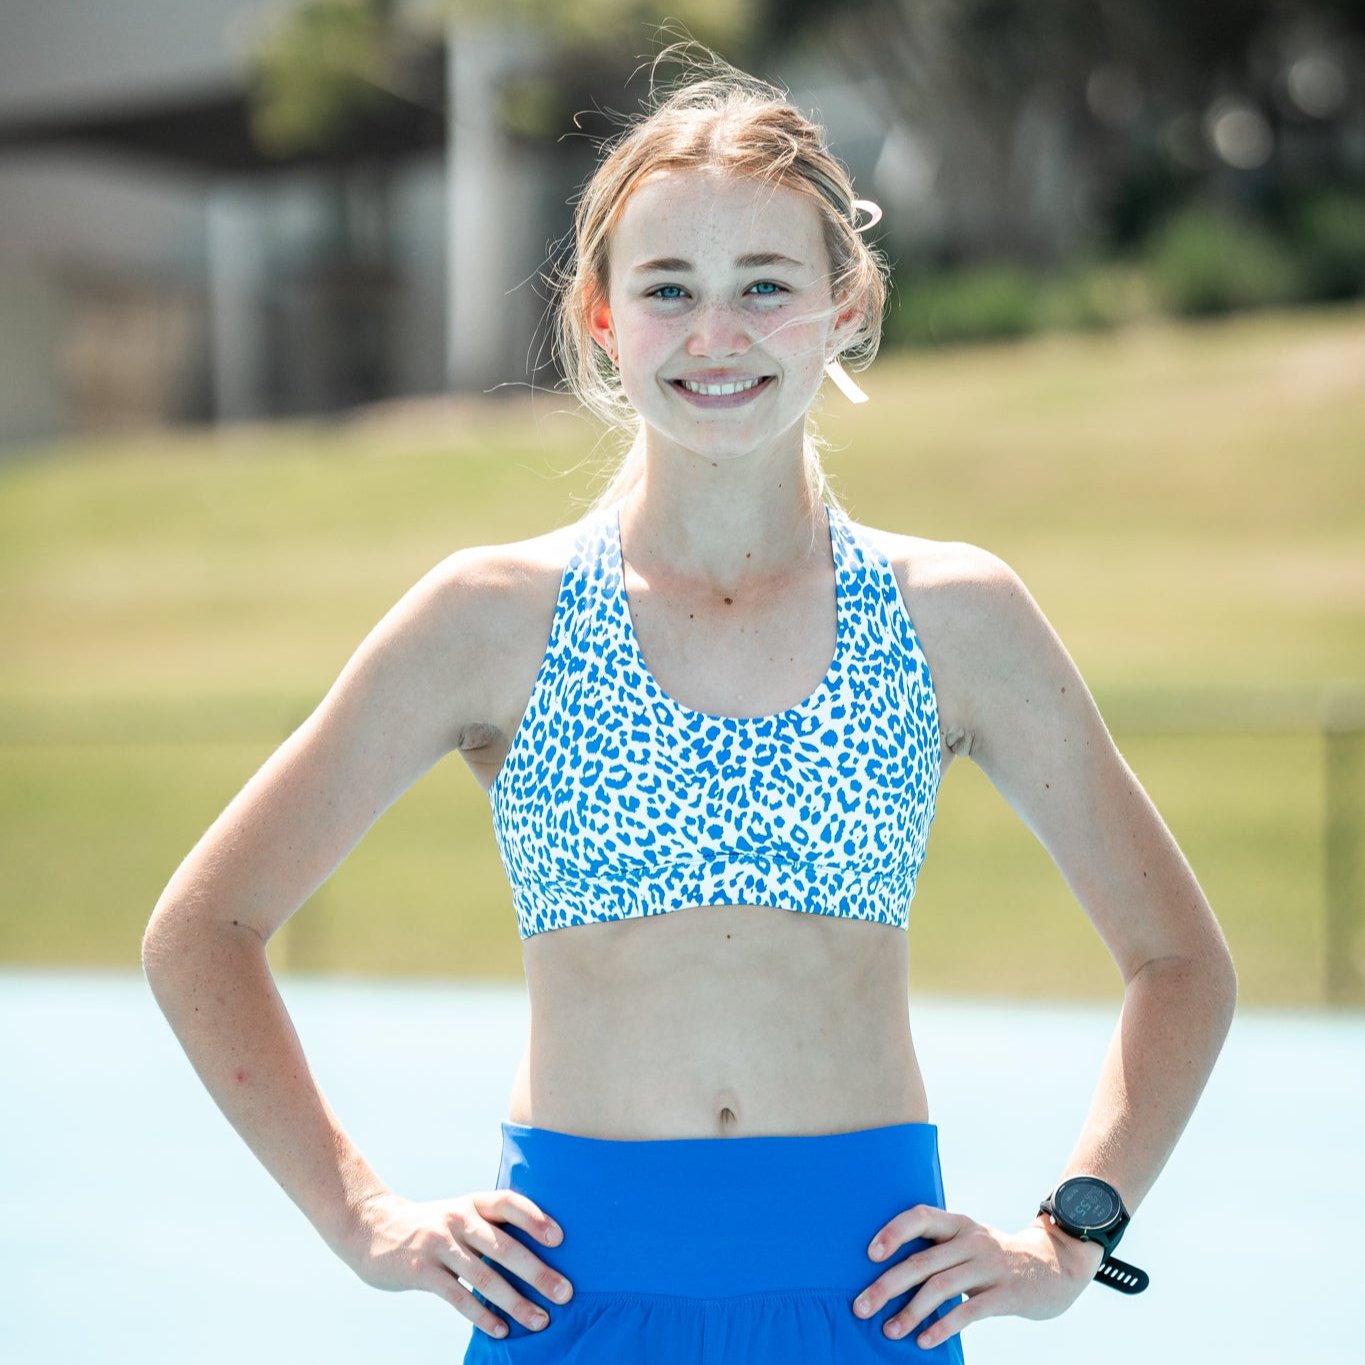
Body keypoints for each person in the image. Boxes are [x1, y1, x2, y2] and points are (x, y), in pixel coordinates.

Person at [141, 48, 1237, 1364]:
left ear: (841, 302)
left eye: (763, 287)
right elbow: (204, 928)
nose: (715, 334)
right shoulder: (489, 617)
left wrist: (1068, 1234)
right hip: (566, 1298)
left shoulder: (957, 615)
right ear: (604, 316)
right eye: (669, 288)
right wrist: (363, 1216)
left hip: (866, 1298)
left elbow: (1179, 965)